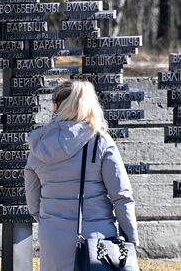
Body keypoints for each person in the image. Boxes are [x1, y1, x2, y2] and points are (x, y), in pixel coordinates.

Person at [24, 80, 139, 271]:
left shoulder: (39, 144)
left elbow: (33, 204)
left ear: (56, 106)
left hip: (53, 239)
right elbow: (122, 197)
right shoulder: (100, 142)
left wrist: (52, 222)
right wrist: (131, 241)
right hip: (97, 242)